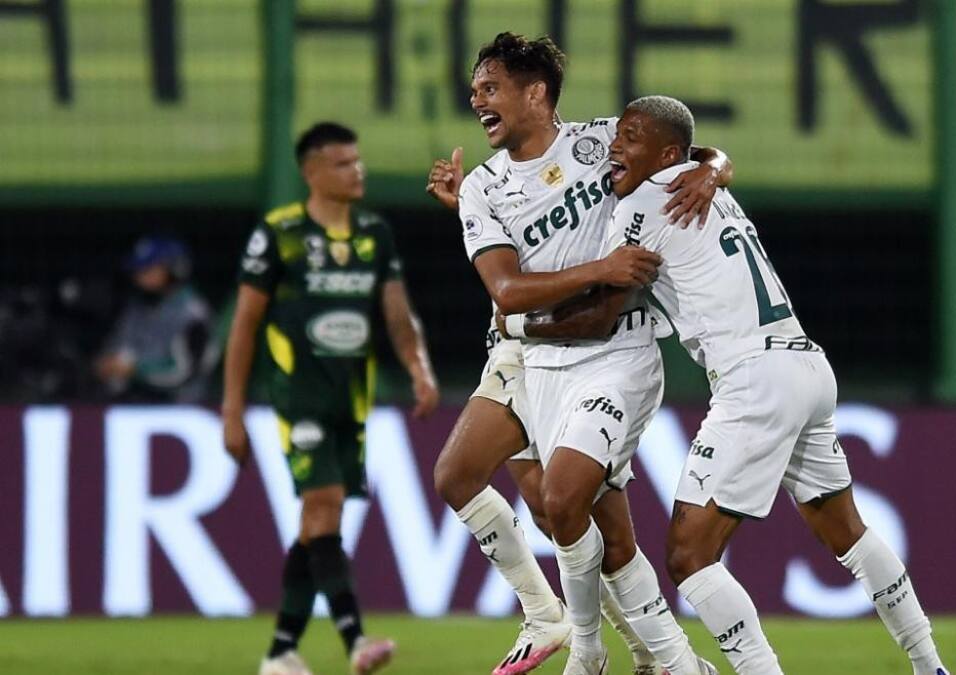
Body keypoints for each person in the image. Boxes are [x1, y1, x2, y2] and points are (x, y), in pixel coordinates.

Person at [502, 95, 953, 675]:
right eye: (618, 133)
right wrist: (713, 166)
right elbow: (707, 157)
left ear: (667, 153)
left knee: (689, 556)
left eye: (632, 136)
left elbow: (600, 316)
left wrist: (517, 320)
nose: (617, 144)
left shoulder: (641, 203)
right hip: (806, 365)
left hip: (754, 378)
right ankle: (929, 665)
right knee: (846, 530)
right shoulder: (707, 187)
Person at [426, 33, 730, 675]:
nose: (476, 99)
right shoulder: (484, 188)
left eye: (490, 87)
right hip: (531, 353)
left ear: (535, 93)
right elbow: (506, 291)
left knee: (566, 506)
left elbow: (688, 149)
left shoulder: (599, 142)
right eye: (475, 89)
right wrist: (605, 264)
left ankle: (603, 651)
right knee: (523, 497)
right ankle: (644, 654)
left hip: (611, 349)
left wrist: (713, 170)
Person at [222, 122, 439, 675]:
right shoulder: (279, 234)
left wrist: (418, 368)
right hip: (300, 397)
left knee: (318, 523)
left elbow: (396, 311)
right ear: (311, 171)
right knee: (323, 505)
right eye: (343, 163)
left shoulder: (374, 233)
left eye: (358, 161)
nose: (357, 170)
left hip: (353, 401)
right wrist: (232, 409)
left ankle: (280, 653)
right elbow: (244, 326)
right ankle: (355, 641)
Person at [94, 236, 212, 402]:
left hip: (181, 409)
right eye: (138, 270)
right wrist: (107, 364)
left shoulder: (192, 312)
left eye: (149, 270)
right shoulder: (136, 308)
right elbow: (116, 349)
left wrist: (135, 370)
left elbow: (187, 372)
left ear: (174, 269)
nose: (140, 277)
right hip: (130, 404)